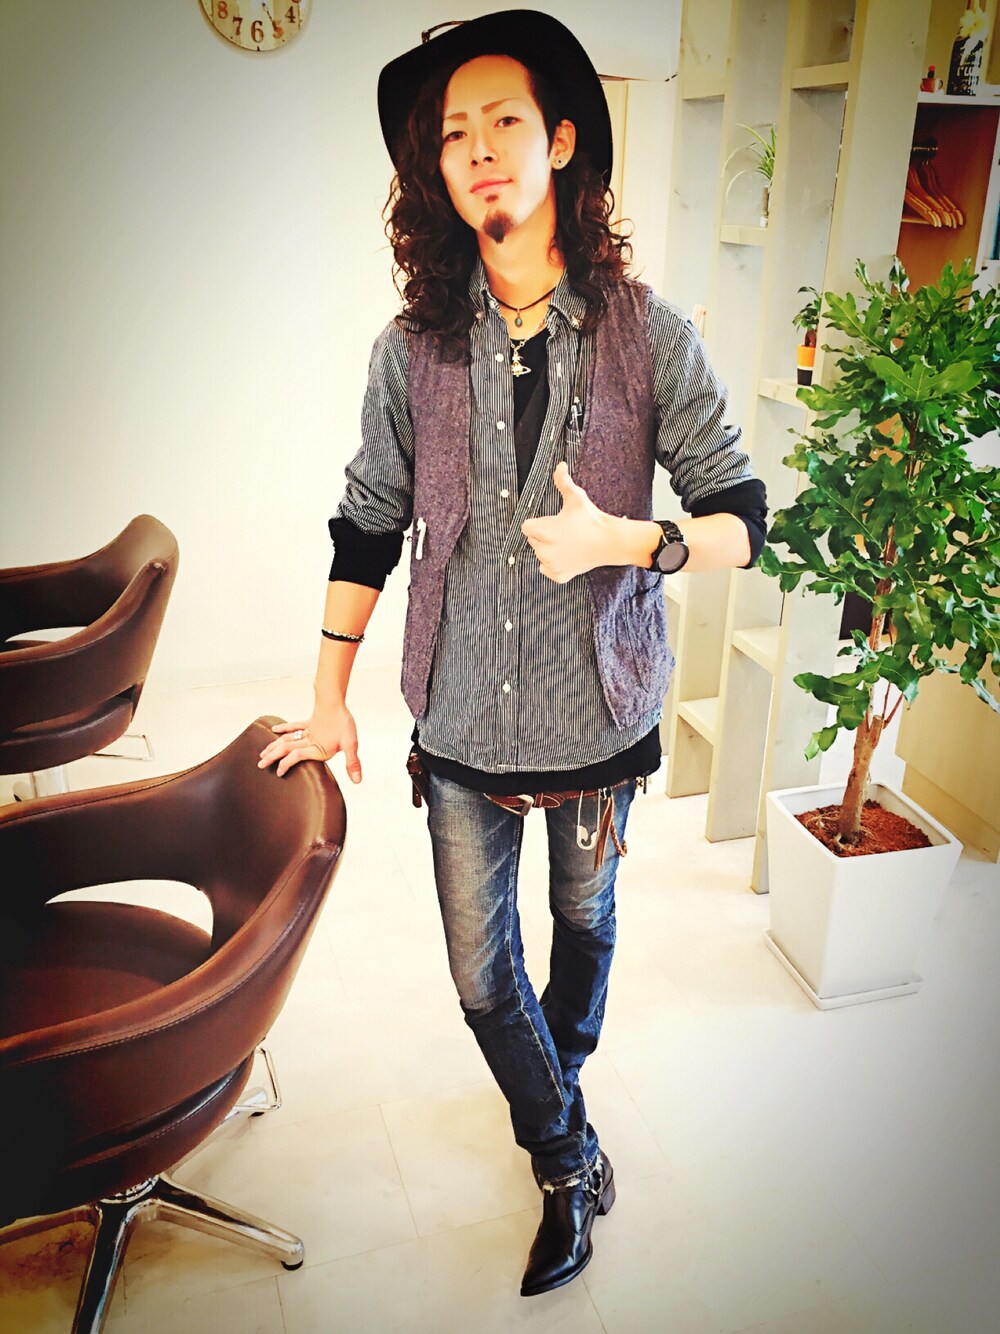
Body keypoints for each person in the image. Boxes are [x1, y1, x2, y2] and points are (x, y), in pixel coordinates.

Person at [258, 10, 767, 1297]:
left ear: (560, 141)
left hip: (598, 709)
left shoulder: (648, 333)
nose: (478, 148)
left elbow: (740, 519)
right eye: (452, 135)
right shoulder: (412, 350)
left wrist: (629, 538)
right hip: (460, 716)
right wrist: (327, 695)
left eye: (502, 121)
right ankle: (565, 1151)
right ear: (434, 173)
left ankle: (557, 1094)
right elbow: (367, 521)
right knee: (482, 974)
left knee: (583, 924)